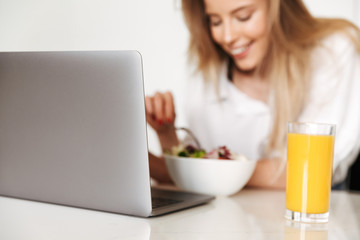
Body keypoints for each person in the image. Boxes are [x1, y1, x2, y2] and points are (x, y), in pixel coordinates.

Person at [145, 0, 360, 189]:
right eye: (215, 21)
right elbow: (190, 179)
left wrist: (212, 171)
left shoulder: (333, 51)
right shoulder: (208, 76)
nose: (228, 36)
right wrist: (166, 134)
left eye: (243, 17)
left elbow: (308, 170)